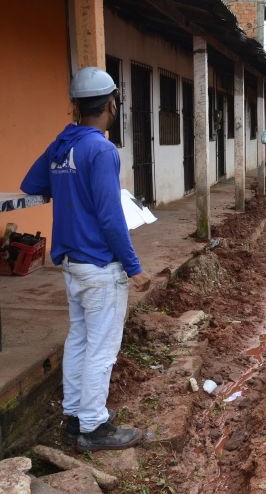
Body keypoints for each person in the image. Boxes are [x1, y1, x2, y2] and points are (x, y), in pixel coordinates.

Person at [21, 67, 151, 452]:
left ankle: (75, 416)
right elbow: (111, 218)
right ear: (111, 105)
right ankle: (94, 428)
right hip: (100, 266)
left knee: (79, 339)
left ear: (76, 107)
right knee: (102, 349)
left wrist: (65, 179)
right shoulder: (101, 149)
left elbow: (32, 184)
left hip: (72, 264)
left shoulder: (63, 144)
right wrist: (134, 267)